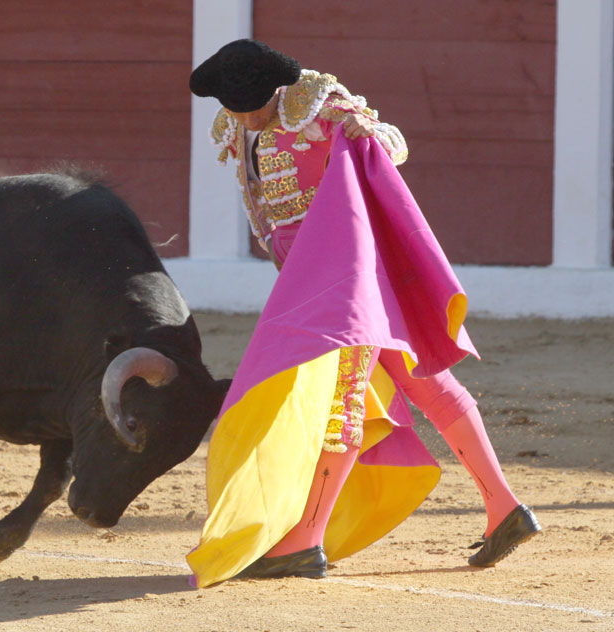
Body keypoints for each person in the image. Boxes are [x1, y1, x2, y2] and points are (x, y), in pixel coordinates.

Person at [185, 39, 541, 587]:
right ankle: (504, 510)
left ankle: (305, 541)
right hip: (307, 279)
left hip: (345, 276)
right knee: (422, 379)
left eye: (250, 106)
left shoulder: (322, 106)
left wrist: (367, 134)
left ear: (274, 91)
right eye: (235, 108)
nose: (245, 117)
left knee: (344, 397)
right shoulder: (237, 122)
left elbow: (390, 148)